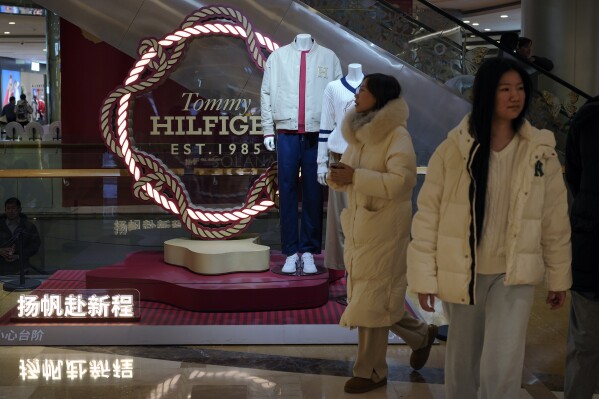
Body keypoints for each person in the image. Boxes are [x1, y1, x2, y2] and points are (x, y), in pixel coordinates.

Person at [407, 57, 572, 399]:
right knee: (462, 360)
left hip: (513, 275)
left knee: (504, 361)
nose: (515, 96)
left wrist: (558, 277)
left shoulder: (540, 151)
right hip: (463, 271)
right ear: (486, 94)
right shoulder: (453, 150)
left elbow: (554, 220)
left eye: (520, 89)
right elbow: (428, 217)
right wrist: (424, 278)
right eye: (505, 89)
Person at [328, 73, 437, 394]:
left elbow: (402, 182)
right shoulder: (361, 133)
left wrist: (356, 176)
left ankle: (371, 371)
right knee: (371, 299)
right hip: (360, 229)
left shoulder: (396, 135)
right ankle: (419, 334)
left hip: (386, 230)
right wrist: (338, 178)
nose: (358, 93)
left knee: (372, 300)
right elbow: (349, 173)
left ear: (379, 96)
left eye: (364, 89)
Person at [260, 33, 342, 274]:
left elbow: (337, 97)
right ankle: (289, 251)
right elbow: (266, 94)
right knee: (286, 189)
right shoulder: (278, 57)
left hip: (318, 133)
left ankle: (308, 251)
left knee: (314, 190)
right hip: (286, 131)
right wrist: (267, 130)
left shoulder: (328, 57)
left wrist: (335, 132)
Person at [564, 95, 599, 399]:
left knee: (584, 342)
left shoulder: (587, 117)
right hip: (590, 244)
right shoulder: (587, 119)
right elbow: (573, 176)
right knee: (585, 340)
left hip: (589, 233)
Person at [317, 63, 364, 283]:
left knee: (364, 217)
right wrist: (321, 162)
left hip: (366, 159)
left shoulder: (373, 88)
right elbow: (325, 127)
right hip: (339, 156)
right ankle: (345, 273)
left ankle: (362, 273)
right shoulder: (333, 88)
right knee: (339, 217)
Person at [0, 197, 41, 275]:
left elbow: (35, 245)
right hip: (1, 268)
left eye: (13, 208)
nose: (10, 211)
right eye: (8, 208)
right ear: (5, 210)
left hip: (22, 268)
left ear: (19, 209)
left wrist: (19, 255)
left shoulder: (28, 226)